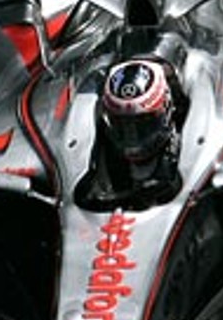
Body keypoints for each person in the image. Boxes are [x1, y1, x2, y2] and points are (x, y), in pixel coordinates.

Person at [78, 58, 185, 209]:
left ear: (166, 107)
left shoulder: (186, 147)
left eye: (143, 124)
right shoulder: (100, 160)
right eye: (121, 124)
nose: (132, 137)